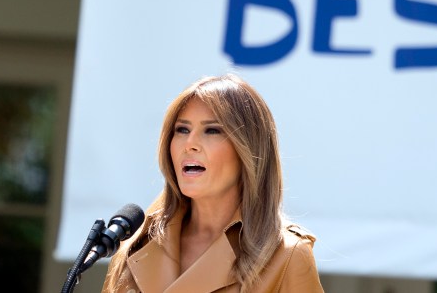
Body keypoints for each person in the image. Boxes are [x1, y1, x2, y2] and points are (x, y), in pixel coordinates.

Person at [102, 74, 324, 293]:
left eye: (212, 130)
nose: (190, 144)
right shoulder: (136, 243)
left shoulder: (288, 255)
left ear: (249, 150)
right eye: (182, 129)